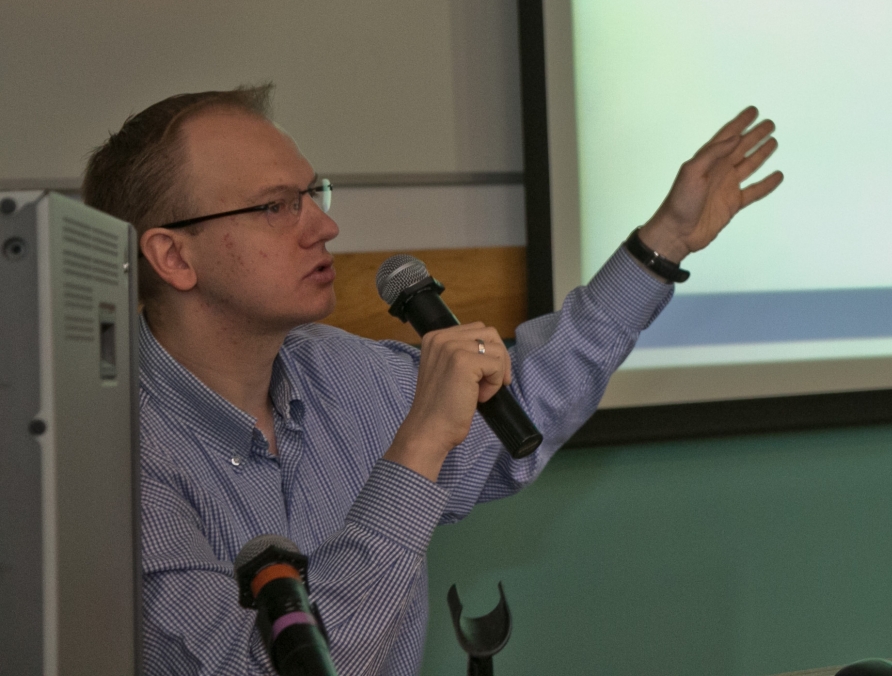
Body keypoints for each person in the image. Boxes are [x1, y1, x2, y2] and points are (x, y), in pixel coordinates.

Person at [82, 84, 781, 676]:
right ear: (173, 257)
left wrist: (662, 244)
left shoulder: (339, 370)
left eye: (312, 193)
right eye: (275, 206)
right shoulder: (111, 457)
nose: (324, 225)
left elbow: (525, 403)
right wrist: (417, 447)